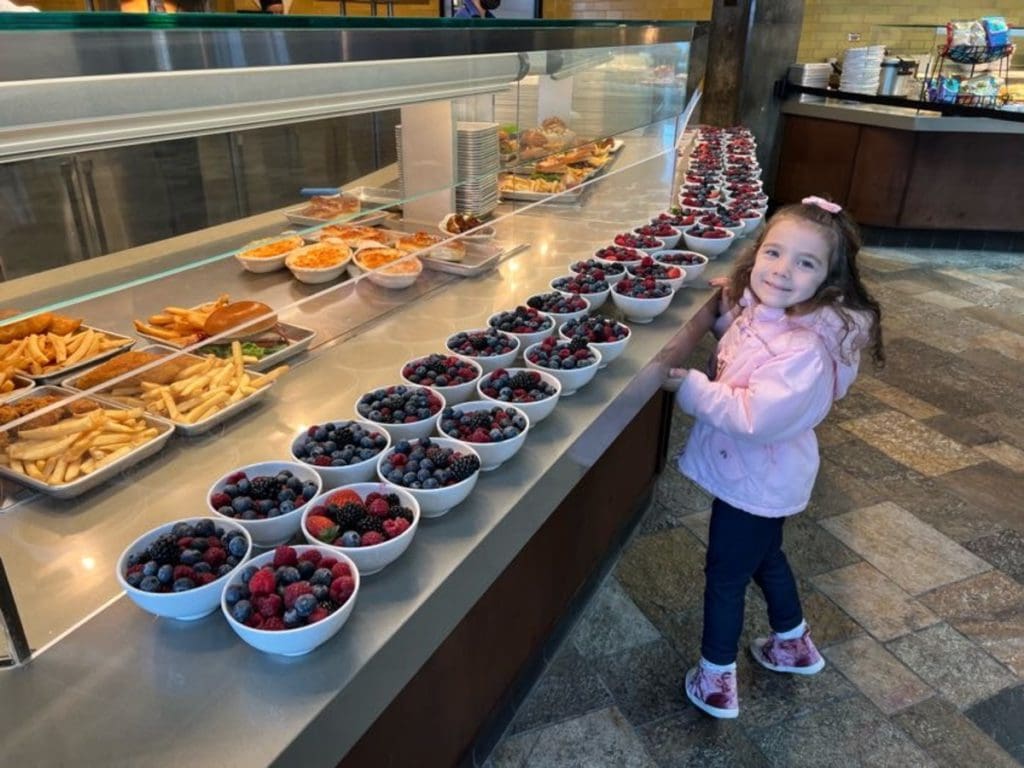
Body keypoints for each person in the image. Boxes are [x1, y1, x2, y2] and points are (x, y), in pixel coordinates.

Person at [663, 196, 884, 720]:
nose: (783, 271)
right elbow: (755, 360)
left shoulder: (805, 349)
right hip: (764, 477)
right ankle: (793, 642)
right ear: (756, 254)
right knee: (765, 556)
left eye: (805, 263)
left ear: (829, 281)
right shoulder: (779, 319)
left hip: (757, 476)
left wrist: (693, 388)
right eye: (774, 254)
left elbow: (756, 414)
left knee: (725, 575)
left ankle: (716, 679)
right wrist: (728, 321)